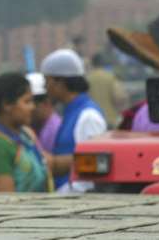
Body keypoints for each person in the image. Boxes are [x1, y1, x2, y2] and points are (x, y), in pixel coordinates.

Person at [40, 48, 108, 193]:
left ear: (61, 81)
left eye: (47, 80)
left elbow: (91, 178)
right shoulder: (71, 112)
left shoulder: (88, 116)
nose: (45, 87)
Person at [0, 72, 52, 192]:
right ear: (6, 105)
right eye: (27, 102)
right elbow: (7, 200)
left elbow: (49, 163)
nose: (33, 107)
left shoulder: (24, 134)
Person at [85, 53, 126, 127]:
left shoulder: (87, 78)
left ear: (92, 63)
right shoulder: (109, 77)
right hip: (109, 118)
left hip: (92, 119)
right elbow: (117, 97)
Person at [28, 71, 61, 153]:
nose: (28, 109)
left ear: (46, 102)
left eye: (29, 102)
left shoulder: (54, 130)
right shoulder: (37, 129)